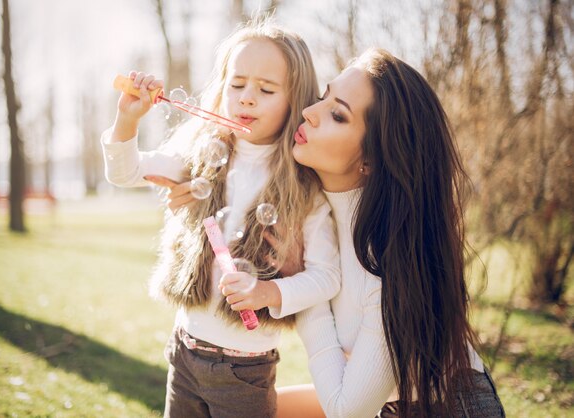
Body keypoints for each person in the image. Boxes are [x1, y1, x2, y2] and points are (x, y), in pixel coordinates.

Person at [224, 48, 507, 417]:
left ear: (372, 159)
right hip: (386, 402)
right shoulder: (314, 214)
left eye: (337, 115)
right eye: (324, 96)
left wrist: (303, 286)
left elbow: (346, 410)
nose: (310, 111)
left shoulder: (387, 259)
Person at [100, 19, 341, 418]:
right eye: (237, 84)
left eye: (265, 90)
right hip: (185, 351)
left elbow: (327, 276)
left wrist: (268, 294)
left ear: (295, 100)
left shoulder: (304, 188)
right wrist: (129, 119)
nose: (247, 98)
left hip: (246, 369)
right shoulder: (199, 151)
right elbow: (126, 172)